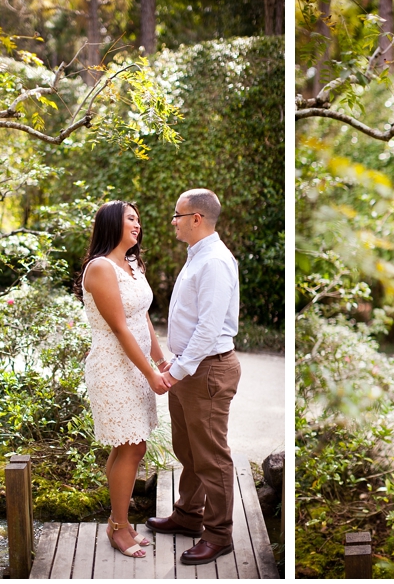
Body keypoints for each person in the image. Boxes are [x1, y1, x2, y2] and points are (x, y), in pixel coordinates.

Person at [146, 188, 241, 566]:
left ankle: (219, 535)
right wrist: (176, 362)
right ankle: (188, 515)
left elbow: (209, 327)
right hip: (188, 366)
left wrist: (180, 370)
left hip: (208, 369)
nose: (173, 221)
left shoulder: (215, 261)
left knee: (211, 457)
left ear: (196, 219)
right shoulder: (199, 256)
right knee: (188, 451)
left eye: (177, 215)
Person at [78, 200, 170, 559]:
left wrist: (160, 360)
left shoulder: (131, 264)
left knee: (127, 445)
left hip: (136, 365)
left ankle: (120, 522)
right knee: (133, 446)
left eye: (138, 218)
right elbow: (118, 327)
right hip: (114, 368)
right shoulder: (100, 268)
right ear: (112, 223)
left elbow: (141, 317)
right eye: (131, 218)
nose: (138, 224)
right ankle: (119, 526)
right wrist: (150, 373)